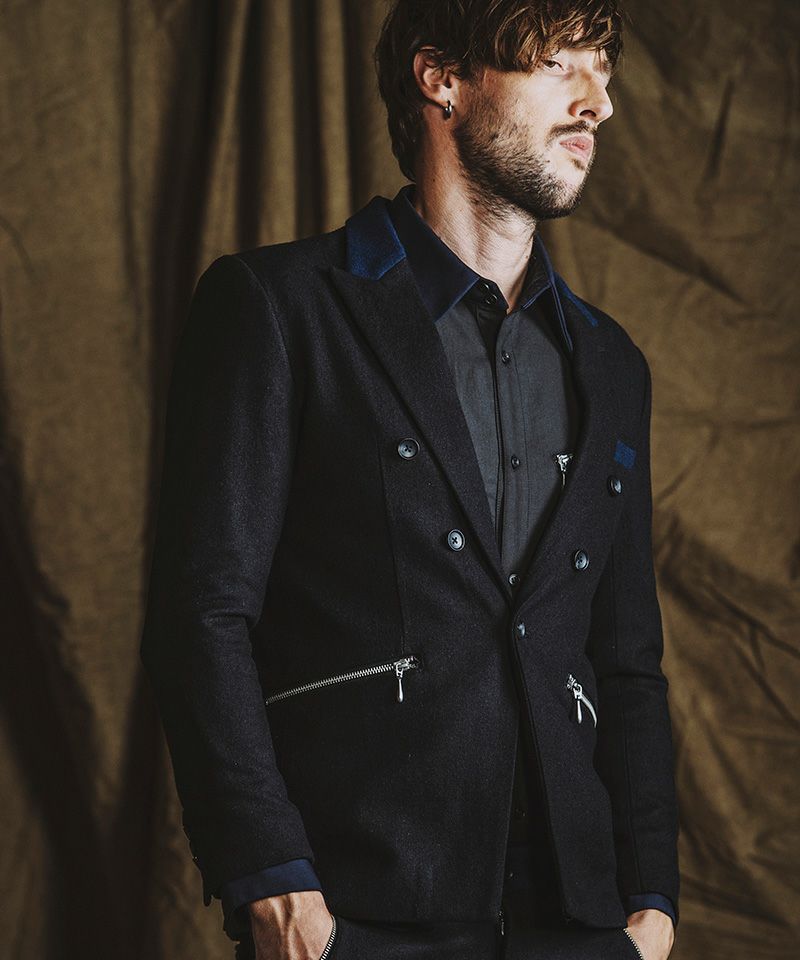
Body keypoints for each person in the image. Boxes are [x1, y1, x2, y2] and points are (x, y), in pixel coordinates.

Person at [140, 2, 680, 958]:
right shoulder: (278, 308)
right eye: (558, 64)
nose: (597, 101)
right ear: (442, 78)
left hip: (581, 920)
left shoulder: (611, 364)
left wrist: (652, 907)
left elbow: (626, 655)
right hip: (356, 913)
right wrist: (270, 879)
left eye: (603, 67)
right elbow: (205, 614)